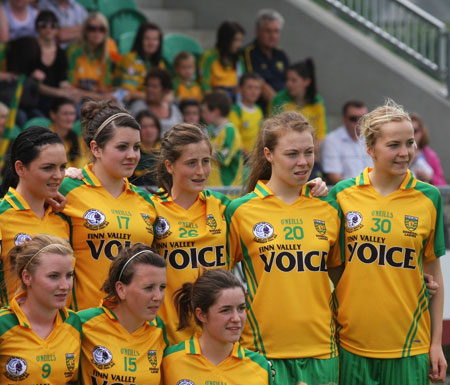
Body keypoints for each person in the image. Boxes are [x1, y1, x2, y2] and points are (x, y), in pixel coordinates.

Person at [329, 100, 447, 384]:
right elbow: (332, 266)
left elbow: (435, 272)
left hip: (410, 346)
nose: (405, 153)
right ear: (370, 149)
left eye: (410, 143)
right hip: (351, 344)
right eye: (393, 145)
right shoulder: (342, 195)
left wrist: (435, 344)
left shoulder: (429, 197)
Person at [225, 111, 341, 385]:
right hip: (261, 350)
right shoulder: (240, 211)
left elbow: (344, 277)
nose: (303, 162)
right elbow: (218, 279)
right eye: (292, 154)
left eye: (309, 152)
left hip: (322, 351)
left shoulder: (329, 208)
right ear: (268, 154)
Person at [59, 100, 157, 310]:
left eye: (136, 147)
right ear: (96, 148)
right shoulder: (67, 188)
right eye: (122, 147)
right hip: (84, 326)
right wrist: (56, 179)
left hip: (134, 326)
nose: (132, 155)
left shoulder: (146, 201)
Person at [150, 123, 232, 345]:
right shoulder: (149, 208)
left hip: (217, 340)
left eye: (206, 161)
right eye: (191, 163)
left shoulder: (225, 208)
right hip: (165, 340)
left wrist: (309, 189)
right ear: (170, 165)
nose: (201, 171)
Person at [163, 269, 273, 384]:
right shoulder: (170, 360)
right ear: (201, 315)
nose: (236, 318)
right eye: (226, 310)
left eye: (241, 308)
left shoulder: (260, 366)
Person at [78, 243, 167, 385]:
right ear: (121, 289)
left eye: (162, 287)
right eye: (148, 287)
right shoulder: (83, 322)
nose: (158, 296)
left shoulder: (159, 330)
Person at [0, 126, 69, 306]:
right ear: (20, 168)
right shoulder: (2, 215)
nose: (58, 176)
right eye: (48, 168)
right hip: (13, 331)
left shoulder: (64, 216)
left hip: (62, 331)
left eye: (63, 167)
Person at [0, 234, 81, 384]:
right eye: (53, 276)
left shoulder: (75, 322)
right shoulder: (3, 323)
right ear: (27, 277)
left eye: (69, 275)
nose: (65, 286)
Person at [270, 58, 328, 144]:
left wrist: (313, 149)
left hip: (312, 148)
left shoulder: (317, 101)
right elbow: (276, 131)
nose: (288, 84)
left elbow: (321, 134)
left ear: (307, 82)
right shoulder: (279, 99)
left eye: (294, 80)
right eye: (287, 80)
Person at [35, 10, 80, 115]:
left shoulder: (61, 53)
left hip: (54, 100)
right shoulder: (30, 49)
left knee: (76, 110)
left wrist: (72, 93)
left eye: (53, 25)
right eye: (43, 25)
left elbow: (63, 82)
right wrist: (60, 93)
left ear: (57, 29)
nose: (48, 28)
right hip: (34, 100)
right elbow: (33, 85)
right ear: (37, 27)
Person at [243, 9, 289, 110]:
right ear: (257, 32)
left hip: (283, 105)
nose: (272, 36)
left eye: (276, 31)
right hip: (261, 109)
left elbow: (289, 82)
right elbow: (258, 83)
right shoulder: (249, 52)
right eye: (268, 31)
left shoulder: (282, 54)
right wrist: (280, 106)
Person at [321, 100, 372, 184]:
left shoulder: (372, 137)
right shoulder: (331, 141)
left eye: (363, 119)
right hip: (348, 192)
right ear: (344, 119)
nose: (359, 122)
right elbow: (334, 177)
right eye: (353, 119)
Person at [115, 21, 166, 104]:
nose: (151, 43)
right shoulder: (130, 59)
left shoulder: (160, 64)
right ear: (140, 40)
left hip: (151, 101)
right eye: (147, 38)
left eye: (155, 39)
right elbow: (129, 92)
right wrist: (156, 97)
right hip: (128, 103)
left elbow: (166, 91)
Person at [66, 12, 113, 101]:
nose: (97, 32)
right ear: (85, 31)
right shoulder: (74, 52)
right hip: (75, 100)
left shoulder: (106, 57)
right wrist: (97, 96)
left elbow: (104, 90)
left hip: (95, 100)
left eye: (101, 29)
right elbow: (70, 88)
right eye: (92, 29)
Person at [202, 90, 243, 187]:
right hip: (214, 189)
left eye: (204, 111)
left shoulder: (230, 131)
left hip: (227, 191)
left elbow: (223, 156)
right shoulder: (212, 132)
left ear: (216, 112)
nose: (202, 115)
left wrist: (201, 151)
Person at [200, 21, 245, 100]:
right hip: (214, 100)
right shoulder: (209, 56)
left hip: (235, 100)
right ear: (225, 40)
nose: (239, 45)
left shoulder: (239, 58)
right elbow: (204, 85)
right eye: (236, 40)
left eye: (241, 41)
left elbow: (241, 84)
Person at [129, 69, 183, 135]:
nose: (149, 89)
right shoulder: (137, 107)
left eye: (154, 86)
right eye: (148, 85)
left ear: (165, 89)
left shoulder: (174, 110)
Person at [228, 72, 264, 160]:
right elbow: (233, 139)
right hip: (242, 161)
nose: (254, 91)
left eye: (257, 88)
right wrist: (249, 157)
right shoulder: (235, 111)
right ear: (240, 89)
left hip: (255, 159)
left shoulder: (259, 110)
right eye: (250, 87)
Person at [49, 97, 88, 168]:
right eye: (65, 114)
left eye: (72, 114)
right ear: (53, 115)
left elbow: (81, 162)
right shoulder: (46, 139)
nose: (69, 118)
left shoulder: (74, 137)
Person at [410, 112, 446, 186]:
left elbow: (442, 184)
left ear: (422, 132)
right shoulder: (399, 153)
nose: (412, 135)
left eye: (415, 131)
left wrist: (430, 178)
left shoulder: (430, 156)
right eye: (409, 131)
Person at [130, 109, 161, 186]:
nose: (149, 130)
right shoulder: (131, 151)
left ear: (158, 129)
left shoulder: (165, 150)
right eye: (144, 127)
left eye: (152, 126)